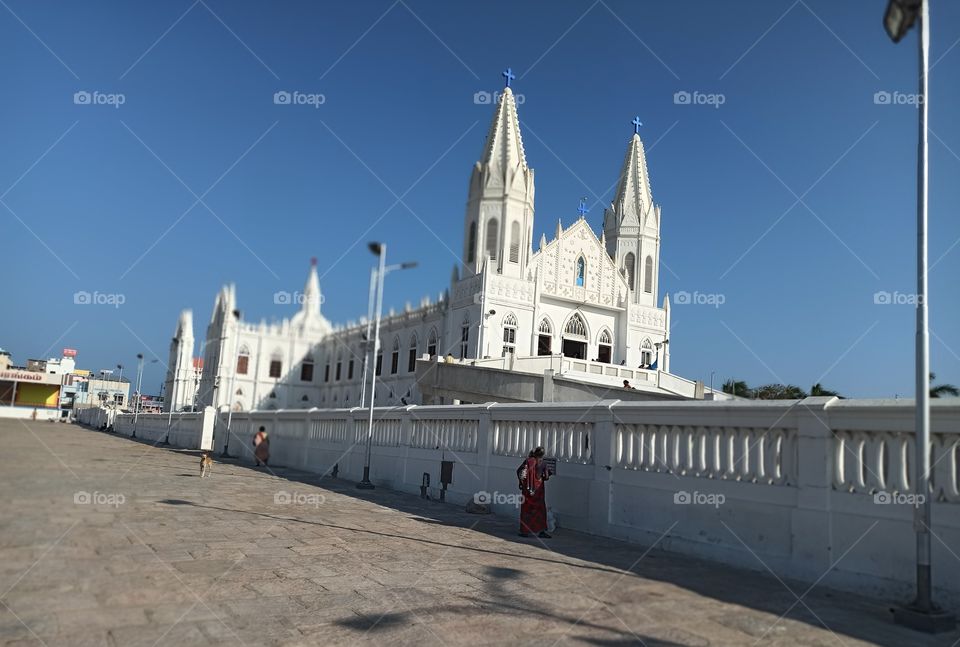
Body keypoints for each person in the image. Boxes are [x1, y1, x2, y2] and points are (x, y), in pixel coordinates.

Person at [517, 446, 551, 538]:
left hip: (527, 491)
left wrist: (521, 483)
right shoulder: (543, 463)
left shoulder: (528, 461)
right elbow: (547, 477)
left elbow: (519, 471)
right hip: (538, 491)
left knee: (526, 510)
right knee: (540, 510)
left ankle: (525, 531)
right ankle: (541, 531)